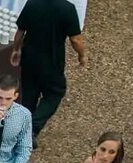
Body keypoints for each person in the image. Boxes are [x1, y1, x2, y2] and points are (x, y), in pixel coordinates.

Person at [12, 0, 86, 141]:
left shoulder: (32, 3)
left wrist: (16, 49)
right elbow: (75, 40)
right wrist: (82, 55)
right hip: (52, 61)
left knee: (29, 94)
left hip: (29, 58)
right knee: (55, 93)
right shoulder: (68, 9)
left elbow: (20, 31)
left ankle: (23, 129)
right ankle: (32, 127)